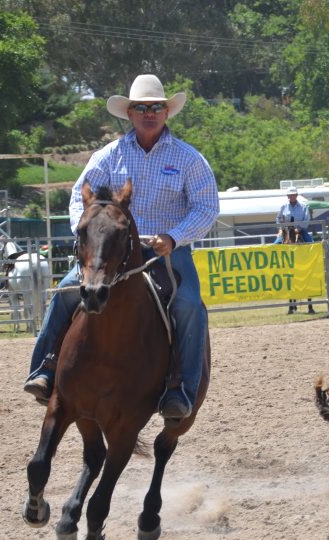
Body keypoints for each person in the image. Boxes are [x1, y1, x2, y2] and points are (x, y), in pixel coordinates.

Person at [22, 73, 219, 422]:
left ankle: (182, 390)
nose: (149, 113)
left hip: (168, 251)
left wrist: (173, 237)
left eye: (155, 107)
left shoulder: (189, 159)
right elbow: (78, 198)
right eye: (141, 107)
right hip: (111, 252)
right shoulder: (109, 156)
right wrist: (86, 232)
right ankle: (45, 369)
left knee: (189, 305)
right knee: (66, 291)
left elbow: (206, 208)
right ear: (129, 113)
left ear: (166, 112)